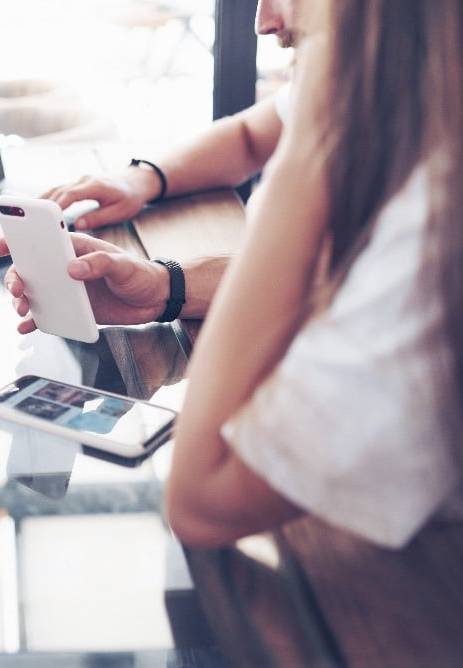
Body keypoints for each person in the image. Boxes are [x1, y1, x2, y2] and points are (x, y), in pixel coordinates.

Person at [165, 0, 463, 548]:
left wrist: (307, 153)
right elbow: (336, 286)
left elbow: (201, 503)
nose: (262, 22)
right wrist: (168, 286)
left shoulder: (437, 220)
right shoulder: (419, 96)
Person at [0, 0, 303, 331]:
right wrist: (141, 181)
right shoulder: (329, 80)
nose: (262, 23)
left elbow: (327, 278)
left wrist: (166, 285)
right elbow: (248, 136)